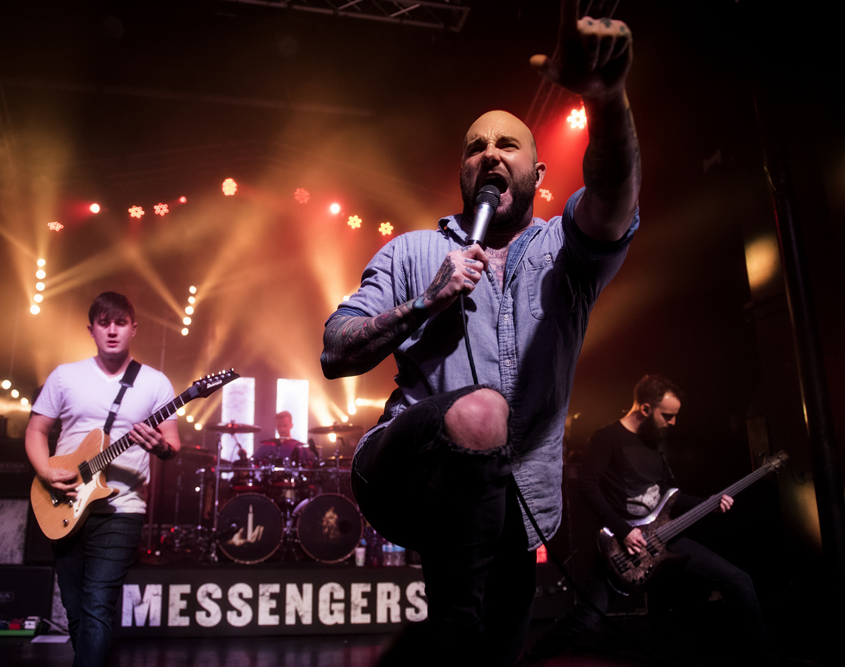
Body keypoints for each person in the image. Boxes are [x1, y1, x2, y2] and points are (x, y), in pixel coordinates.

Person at [320, 2, 640, 662]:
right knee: (481, 410)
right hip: (404, 474)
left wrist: (606, 98)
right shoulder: (412, 251)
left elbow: (611, 200)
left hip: (518, 509)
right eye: (475, 148)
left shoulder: (566, 254)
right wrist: (422, 302)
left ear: (540, 173)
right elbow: (334, 349)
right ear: (462, 172)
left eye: (506, 144)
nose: (489, 153)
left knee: (501, 644)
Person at [524, 375, 777, 665]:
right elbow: (587, 486)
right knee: (588, 614)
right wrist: (623, 530)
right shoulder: (607, 438)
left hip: (664, 537)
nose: (673, 423)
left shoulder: (655, 443)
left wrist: (710, 504)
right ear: (645, 409)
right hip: (621, 545)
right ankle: (530, 659)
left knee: (739, 580)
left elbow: (670, 497)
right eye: (667, 416)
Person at [25, 292, 180, 667]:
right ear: (91, 329)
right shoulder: (65, 376)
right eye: (104, 323)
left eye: (120, 323)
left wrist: (159, 446)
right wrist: (46, 471)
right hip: (63, 502)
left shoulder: (155, 383)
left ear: (133, 328)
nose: (112, 331)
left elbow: (173, 446)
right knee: (75, 609)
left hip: (122, 508)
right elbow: (35, 430)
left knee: (97, 605)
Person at [252, 410, 317, 466]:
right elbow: (252, 462)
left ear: (291, 425)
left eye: (285, 426)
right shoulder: (267, 446)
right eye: (279, 426)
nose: (282, 429)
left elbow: (308, 468)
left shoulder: (301, 447)